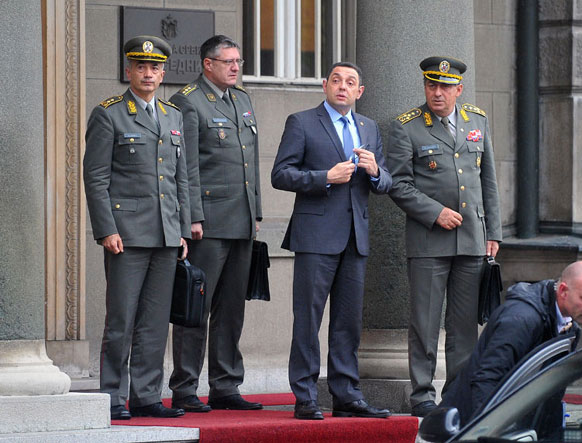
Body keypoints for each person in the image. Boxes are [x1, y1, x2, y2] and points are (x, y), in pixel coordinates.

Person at [272, 62, 393, 420]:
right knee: (308, 320)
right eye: (336, 80)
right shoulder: (302, 122)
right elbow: (281, 174)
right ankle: (306, 396)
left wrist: (375, 171)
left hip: (355, 237)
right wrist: (324, 176)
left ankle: (346, 394)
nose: (343, 86)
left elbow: (386, 181)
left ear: (360, 91)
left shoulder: (368, 127)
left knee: (348, 322)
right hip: (315, 236)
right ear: (325, 85)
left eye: (350, 82)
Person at [387, 56, 502, 417]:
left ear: (458, 90)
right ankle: (422, 394)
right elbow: (398, 184)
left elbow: (488, 182)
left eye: (444, 87)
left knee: (464, 327)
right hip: (428, 241)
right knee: (424, 322)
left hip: (472, 238)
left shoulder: (477, 121)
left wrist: (493, 232)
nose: (437, 93)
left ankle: (457, 394)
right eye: (431, 85)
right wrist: (434, 212)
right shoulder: (406, 126)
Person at [83, 35, 190, 420]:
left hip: (165, 234)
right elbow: (95, 177)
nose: (148, 73)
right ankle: (113, 395)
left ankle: (146, 396)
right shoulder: (109, 114)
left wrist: (181, 228)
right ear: (128, 70)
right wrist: (106, 229)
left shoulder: (173, 115)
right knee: (121, 320)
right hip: (125, 235)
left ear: (163, 73)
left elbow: (180, 177)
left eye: (155, 68)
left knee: (155, 322)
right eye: (141, 66)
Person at [167, 35, 262, 412]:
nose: (236, 67)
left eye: (238, 61)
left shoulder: (242, 99)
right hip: (207, 223)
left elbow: (250, 163)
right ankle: (185, 387)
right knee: (195, 308)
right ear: (208, 64)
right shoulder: (188, 101)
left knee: (232, 308)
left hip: (240, 220)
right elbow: (186, 166)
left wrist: (256, 212)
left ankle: (225, 385)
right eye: (228, 62)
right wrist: (191, 216)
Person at [440, 260, 582, 426]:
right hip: (464, 426)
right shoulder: (521, 319)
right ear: (563, 290)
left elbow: (551, 395)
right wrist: (490, 432)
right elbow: (487, 380)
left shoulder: (569, 326)